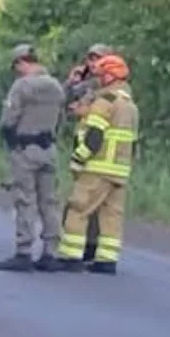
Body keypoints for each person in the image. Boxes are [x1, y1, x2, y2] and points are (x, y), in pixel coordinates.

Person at [56, 54, 138, 274]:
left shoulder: (105, 101)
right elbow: (133, 143)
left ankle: (70, 257)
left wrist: (78, 158)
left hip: (97, 168)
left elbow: (94, 136)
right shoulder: (130, 106)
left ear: (110, 76)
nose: (99, 79)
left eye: (101, 75)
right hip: (120, 172)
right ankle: (107, 261)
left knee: (78, 209)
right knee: (111, 216)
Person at [0, 44, 67, 272]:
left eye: (16, 66)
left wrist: (9, 139)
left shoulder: (22, 86)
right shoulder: (56, 86)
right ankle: (50, 252)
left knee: (25, 199)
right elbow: (61, 119)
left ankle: (24, 251)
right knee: (50, 201)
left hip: (25, 149)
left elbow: (8, 119)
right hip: (49, 148)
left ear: (21, 62)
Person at [64, 44, 112, 261]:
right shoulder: (86, 83)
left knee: (83, 204)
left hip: (97, 151)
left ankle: (83, 248)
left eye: (98, 59)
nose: (93, 64)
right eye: (91, 59)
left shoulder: (105, 88)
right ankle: (85, 246)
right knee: (86, 203)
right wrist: (72, 82)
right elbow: (66, 105)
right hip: (83, 146)